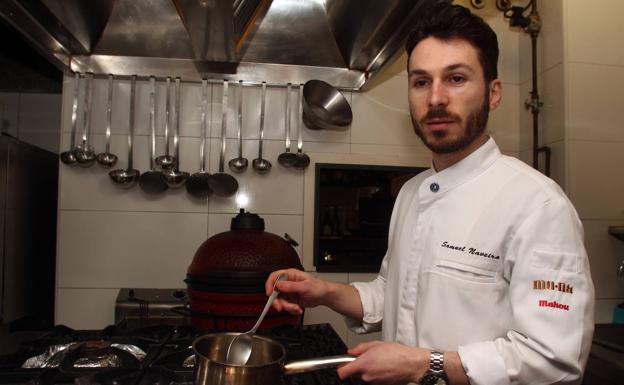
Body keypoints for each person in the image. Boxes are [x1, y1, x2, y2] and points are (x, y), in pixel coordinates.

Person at [266, 3, 595, 385]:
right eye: (421, 82)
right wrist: (323, 292)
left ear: (493, 93)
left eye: (456, 78)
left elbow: (553, 360)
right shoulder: (410, 192)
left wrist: (424, 364)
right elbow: (394, 293)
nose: (436, 98)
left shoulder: (538, 205)